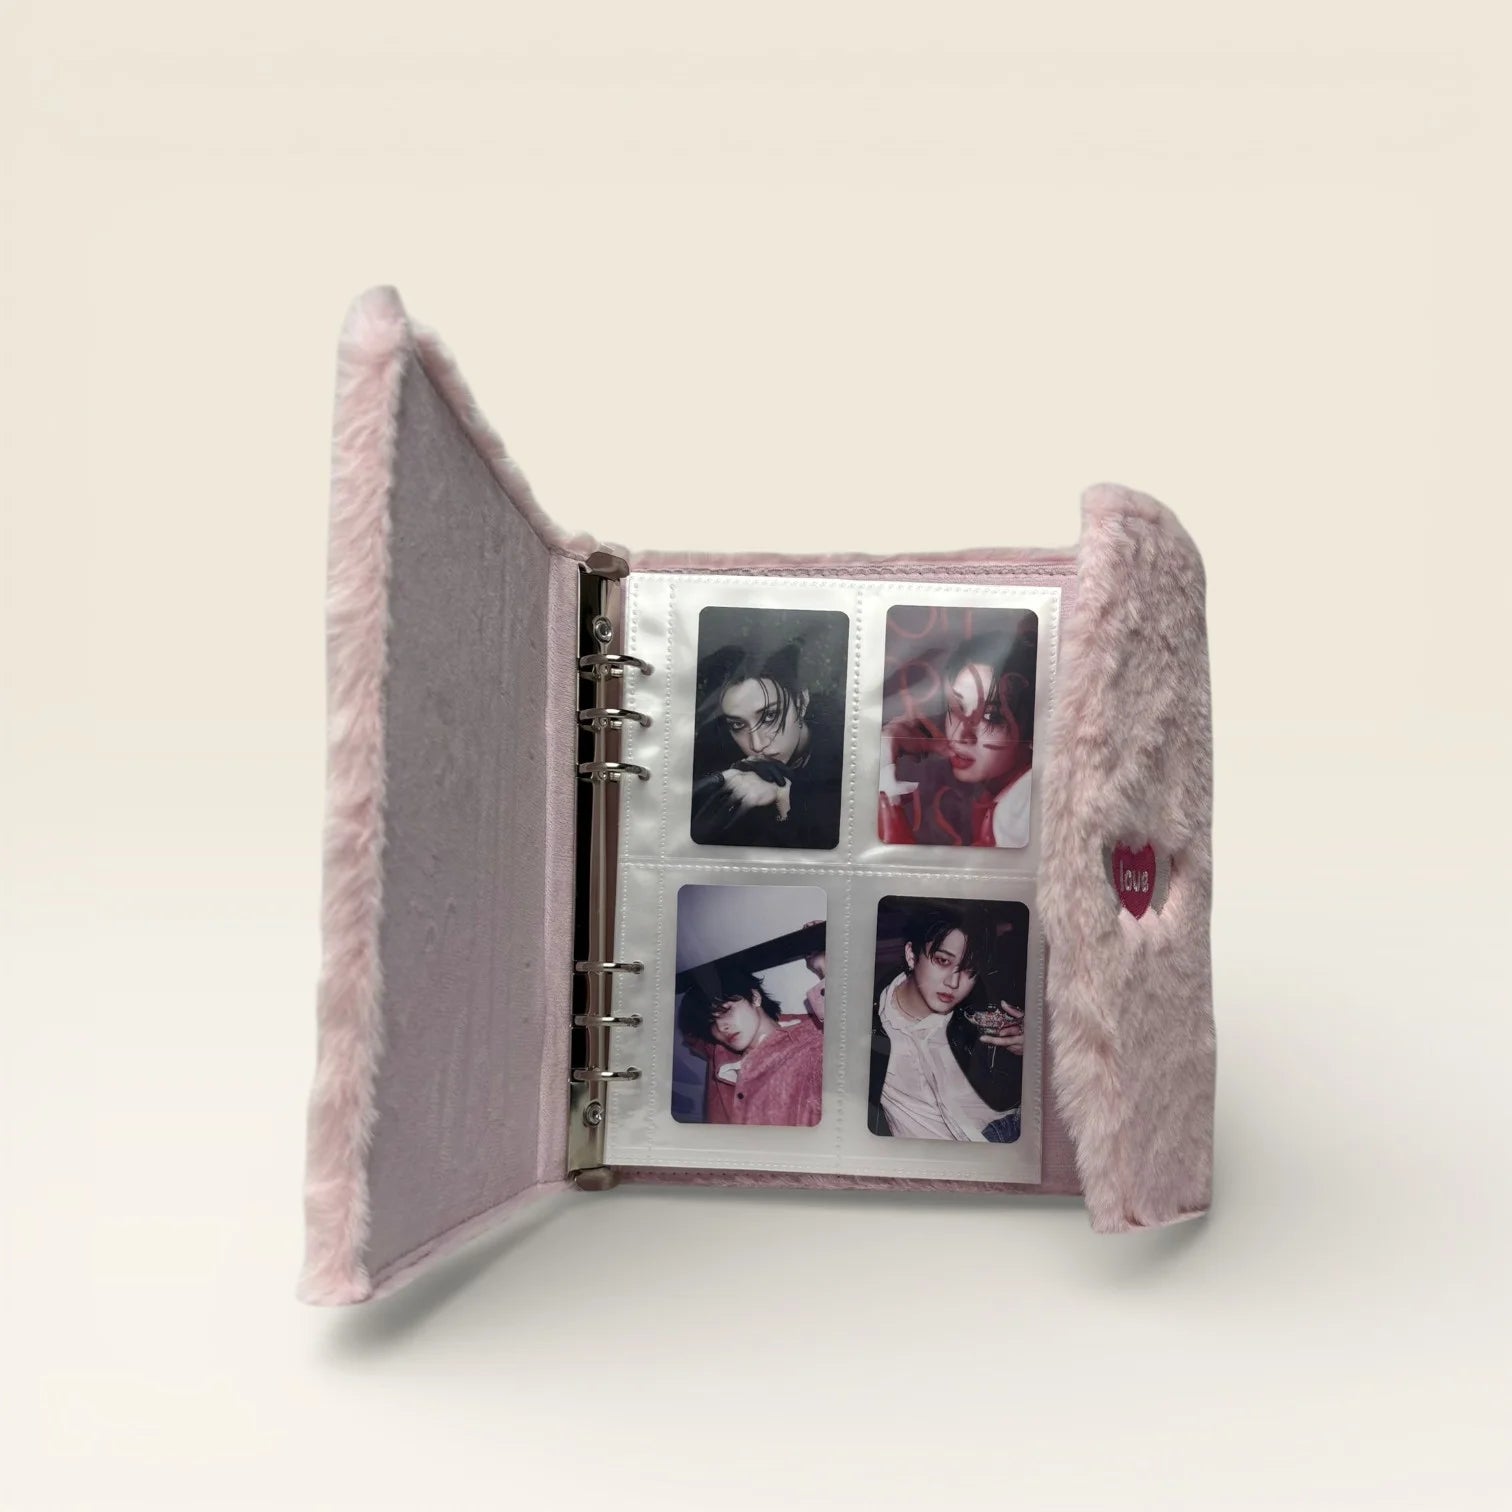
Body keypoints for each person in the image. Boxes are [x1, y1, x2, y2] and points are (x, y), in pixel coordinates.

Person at [868, 905, 1025, 1142]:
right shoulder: (870, 1020)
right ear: (911, 955)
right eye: (942, 961)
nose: (953, 982)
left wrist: (1032, 1051)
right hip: (931, 1158)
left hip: (1005, 1135)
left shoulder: (984, 1015)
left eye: (969, 970)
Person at [878, 619, 1037, 848]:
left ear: (1033, 729)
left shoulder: (1020, 811)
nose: (962, 735)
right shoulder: (1007, 799)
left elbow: (896, 867)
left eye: (991, 716)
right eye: (957, 707)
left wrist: (884, 768)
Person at [691, 631, 844, 849]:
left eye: (770, 716)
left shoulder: (847, 750)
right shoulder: (714, 747)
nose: (757, 744)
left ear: (801, 702)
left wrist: (786, 803)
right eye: (738, 725)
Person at [677, 964, 824, 1127]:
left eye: (726, 1010)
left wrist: (823, 964)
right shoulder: (719, 1050)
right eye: (712, 1022)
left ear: (755, 997)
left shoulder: (812, 1041)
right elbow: (690, 1032)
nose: (721, 1027)